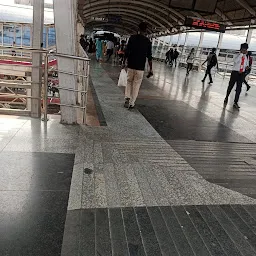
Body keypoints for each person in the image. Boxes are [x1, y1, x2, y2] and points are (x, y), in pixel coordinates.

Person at [123, 22, 153, 109]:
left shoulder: (132, 38)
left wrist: (123, 62)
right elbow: (149, 56)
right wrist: (151, 69)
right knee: (136, 85)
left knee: (129, 82)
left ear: (138, 29)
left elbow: (127, 51)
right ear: (146, 30)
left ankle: (127, 97)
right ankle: (132, 103)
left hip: (131, 65)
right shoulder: (147, 41)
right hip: (140, 68)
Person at [224, 43, 249, 109]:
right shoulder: (237, 55)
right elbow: (235, 61)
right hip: (235, 72)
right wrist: (241, 54)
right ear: (241, 49)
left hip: (242, 74)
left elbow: (246, 64)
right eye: (244, 49)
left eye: (246, 49)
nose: (245, 51)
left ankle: (235, 102)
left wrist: (246, 67)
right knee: (231, 86)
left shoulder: (246, 57)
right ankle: (226, 96)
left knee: (239, 88)